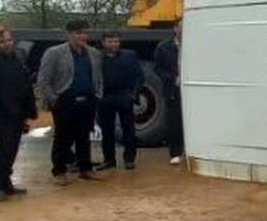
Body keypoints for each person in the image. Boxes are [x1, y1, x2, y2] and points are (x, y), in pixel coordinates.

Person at [38, 19, 104, 185]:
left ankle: (85, 168)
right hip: (65, 100)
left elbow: (98, 77)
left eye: (84, 32)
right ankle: (59, 170)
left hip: (87, 100)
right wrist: (54, 100)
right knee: (63, 137)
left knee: (84, 136)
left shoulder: (94, 53)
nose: (82, 36)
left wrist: (97, 95)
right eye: (78, 33)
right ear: (69, 34)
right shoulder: (54, 53)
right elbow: (44, 80)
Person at [0, 28, 37, 201]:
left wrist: (28, 112)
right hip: (0, 113)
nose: (7, 44)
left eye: (9, 40)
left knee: (12, 149)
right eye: (2, 42)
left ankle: (6, 183)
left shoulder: (15, 59)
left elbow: (23, 85)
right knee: (2, 149)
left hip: (17, 111)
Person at [97, 31, 143, 171]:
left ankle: (129, 159)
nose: (114, 44)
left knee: (128, 130)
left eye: (116, 41)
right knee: (107, 131)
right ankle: (109, 160)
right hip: (105, 97)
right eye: (110, 41)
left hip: (124, 96)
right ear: (103, 43)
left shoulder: (129, 56)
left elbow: (139, 77)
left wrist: (133, 96)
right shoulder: (97, 58)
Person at [154, 21, 184, 164]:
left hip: (193, 90)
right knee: (174, 121)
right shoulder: (163, 47)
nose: (183, 30)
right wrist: (173, 79)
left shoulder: (197, 45)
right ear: (175, 28)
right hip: (173, 89)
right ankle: (175, 153)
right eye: (181, 27)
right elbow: (158, 68)